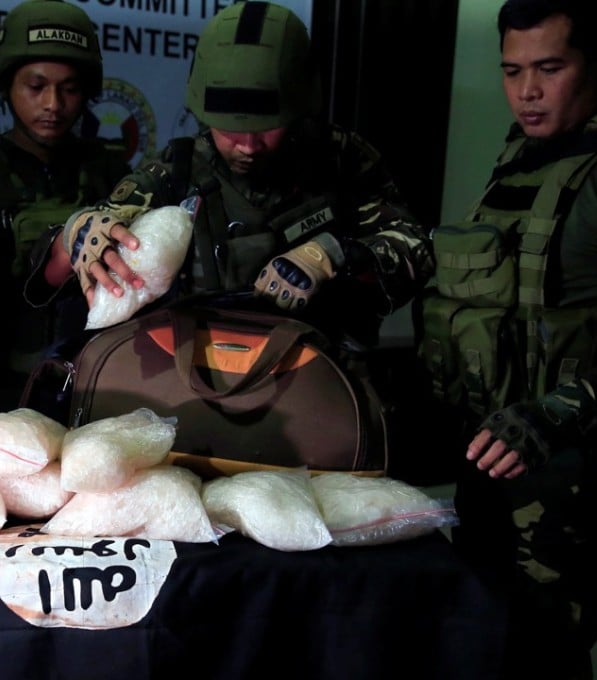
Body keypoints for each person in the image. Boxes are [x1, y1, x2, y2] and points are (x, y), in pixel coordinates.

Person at [24, 1, 434, 414]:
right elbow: (106, 225)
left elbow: (415, 246)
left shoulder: (343, 161)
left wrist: (333, 254)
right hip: (198, 381)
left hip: (317, 381)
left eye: (267, 128)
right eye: (230, 129)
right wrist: (78, 232)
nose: (248, 146)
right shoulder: (181, 167)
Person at [415, 0, 597, 676]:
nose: (527, 91)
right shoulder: (521, 154)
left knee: (543, 648)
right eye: (513, 70)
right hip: (485, 454)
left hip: (563, 475)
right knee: (481, 637)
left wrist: (551, 417)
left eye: (550, 68)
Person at [0, 0, 130, 422]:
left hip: (92, 387)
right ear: (6, 85)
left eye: (69, 88)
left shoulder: (111, 173)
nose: (53, 103)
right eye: (36, 87)